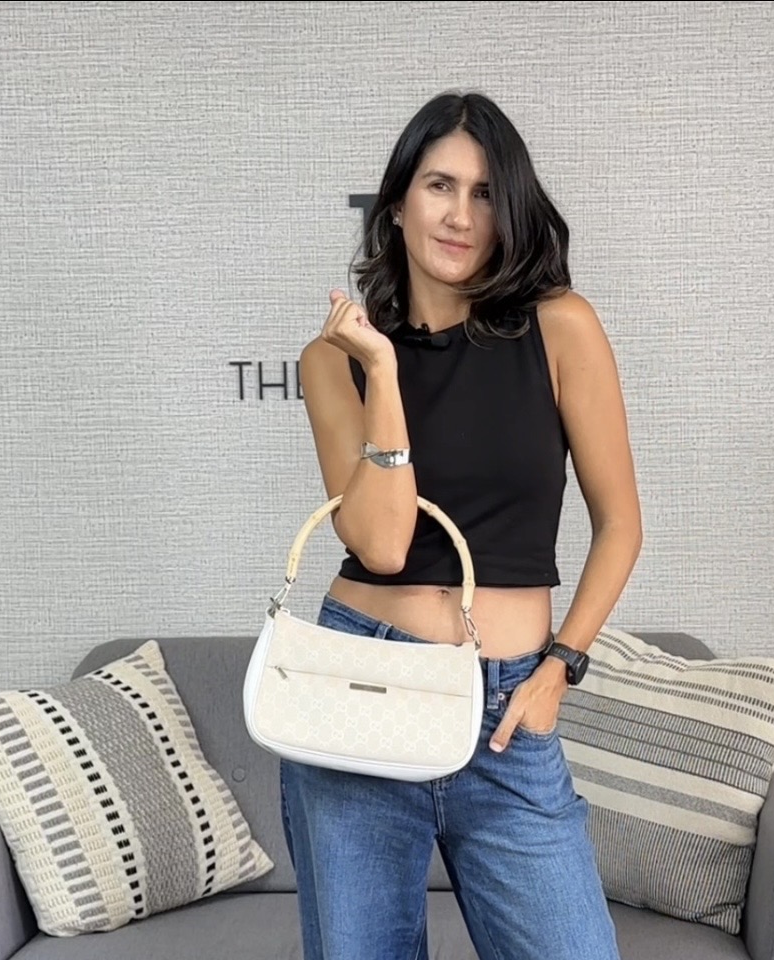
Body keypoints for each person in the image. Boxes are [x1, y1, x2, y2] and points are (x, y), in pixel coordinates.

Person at [281, 90, 642, 960]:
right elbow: (381, 545)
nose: (460, 214)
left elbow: (621, 523)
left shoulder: (561, 328)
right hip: (361, 691)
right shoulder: (334, 360)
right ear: (397, 203)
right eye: (439, 185)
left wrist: (559, 668)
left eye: (485, 193)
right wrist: (384, 373)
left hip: (510, 710)